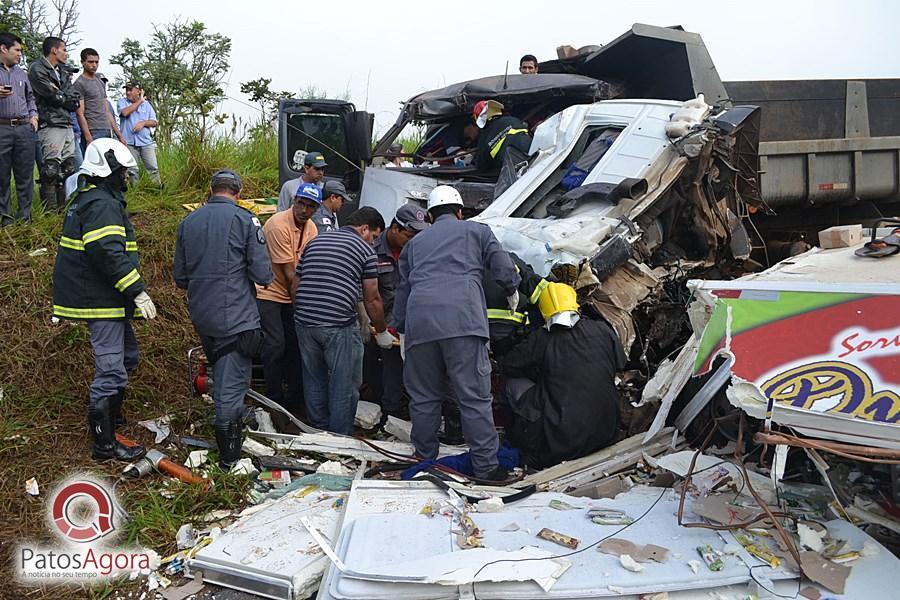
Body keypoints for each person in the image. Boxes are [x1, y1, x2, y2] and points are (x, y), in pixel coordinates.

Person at [394, 185, 520, 481]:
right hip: (463, 321)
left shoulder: (414, 244)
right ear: (460, 211)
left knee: (424, 398)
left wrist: (401, 327)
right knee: (473, 397)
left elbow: (403, 289)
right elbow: (501, 265)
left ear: (430, 214)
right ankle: (486, 467)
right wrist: (512, 287)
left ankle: (424, 459)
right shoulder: (477, 231)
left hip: (420, 323)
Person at [52, 138, 154, 462]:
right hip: (102, 300)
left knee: (128, 358)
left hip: (108, 298)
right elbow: (107, 252)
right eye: (122, 172)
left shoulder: (93, 199)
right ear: (107, 169)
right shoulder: (101, 204)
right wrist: (136, 288)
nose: (125, 178)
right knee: (111, 371)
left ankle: (112, 419)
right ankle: (105, 445)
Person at [173, 169, 273, 469]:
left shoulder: (188, 222)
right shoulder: (245, 220)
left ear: (211, 189)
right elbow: (263, 274)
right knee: (232, 386)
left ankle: (230, 427)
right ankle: (229, 460)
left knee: (221, 374)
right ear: (238, 192)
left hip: (203, 316)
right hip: (236, 319)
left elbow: (180, 277)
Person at [499, 283, 626, 468]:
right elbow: (620, 363)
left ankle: (518, 438)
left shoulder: (544, 338)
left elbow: (509, 365)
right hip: (607, 432)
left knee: (512, 384)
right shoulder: (603, 329)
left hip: (562, 442)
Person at [294, 206, 396, 435]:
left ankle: (317, 432)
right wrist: (381, 331)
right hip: (337, 324)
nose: (373, 243)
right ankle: (340, 437)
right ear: (364, 229)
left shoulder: (316, 242)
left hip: (304, 322)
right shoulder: (365, 250)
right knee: (345, 382)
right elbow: (372, 298)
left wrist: (303, 313)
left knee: (314, 378)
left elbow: (296, 285)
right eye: (374, 237)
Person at [255, 182, 320, 414]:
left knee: (296, 345)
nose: (304, 209)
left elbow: (308, 267)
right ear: (294, 202)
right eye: (301, 203)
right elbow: (289, 273)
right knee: (275, 345)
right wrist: (303, 307)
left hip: (294, 293)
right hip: (270, 291)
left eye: (310, 206)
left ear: (316, 209)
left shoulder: (311, 228)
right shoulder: (277, 225)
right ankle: (273, 398)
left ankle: (295, 398)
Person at [362, 203, 429, 418]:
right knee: (373, 360)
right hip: (376, 316)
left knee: (401, 364)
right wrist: (372, 324)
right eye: (408, 236)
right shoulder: (371, 249)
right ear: (394, 229)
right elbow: (365, 292)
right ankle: (379, 404)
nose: (412, 241)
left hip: (406, 317)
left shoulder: (419, 250)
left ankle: (394, 408)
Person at [28, 36, 80, 210]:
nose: (66, 53)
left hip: (66, 122)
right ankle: (50, 210)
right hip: (49, 122)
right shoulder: (37, 69)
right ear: (54, 50)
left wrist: (62, 95)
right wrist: (62, 96)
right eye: (64, 49)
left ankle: (64, 208)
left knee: (69, 167)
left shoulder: (63, 71)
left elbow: (74, 100)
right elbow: (51, 96)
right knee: (51, 169)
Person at [0, 32, 38, 225]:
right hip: (2, 128)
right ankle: (5, 220)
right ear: (3, 49)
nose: (19, 54)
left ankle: (25, 218)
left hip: (24, 128)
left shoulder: (22, 73)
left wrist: (34, 115)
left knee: (25, 175)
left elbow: (30, 97)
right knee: (2, 176)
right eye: (17, 50)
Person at [74, 48, 125, 150]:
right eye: (90, 62)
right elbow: (80, 113)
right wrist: (88, 138)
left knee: (113, 164)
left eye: (96, 62)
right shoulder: (79, 83)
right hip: (93, 129)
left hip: (107, 128)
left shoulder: (100, 81)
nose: (94, 65)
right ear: (82, 62)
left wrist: (119, 135)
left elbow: (107, 111)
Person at [472, 99, 532, 174]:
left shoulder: (483, 139)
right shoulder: (513, 120)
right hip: (535, 156)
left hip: (515, 173)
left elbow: (481, 168)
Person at [117, 81, 160, 185]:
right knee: (132, 170)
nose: (128, 93)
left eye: (130, 90)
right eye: (126, 90)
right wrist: (140, 101)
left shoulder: (147, 105)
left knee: (153, 168)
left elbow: (155, 122)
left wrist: (143, 123)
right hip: (129, 143)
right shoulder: (122, 102)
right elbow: (125, 113)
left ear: (138, 91)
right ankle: (135, 192)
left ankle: (158, 190)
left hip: (146, 142)